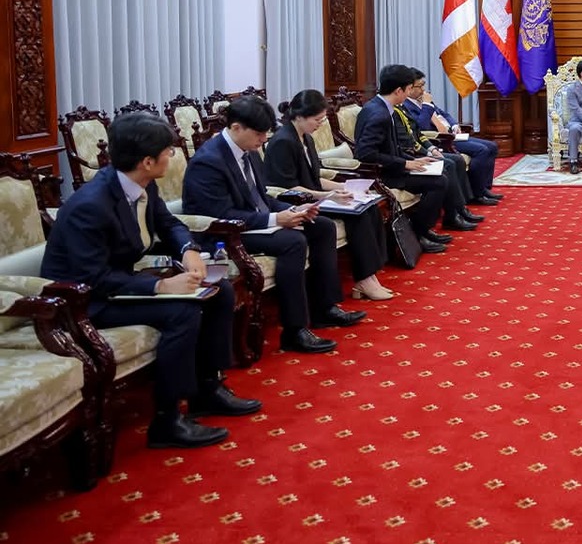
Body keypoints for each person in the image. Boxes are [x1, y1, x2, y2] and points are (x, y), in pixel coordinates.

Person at [42, 113, 262, 449]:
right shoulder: (91, 205)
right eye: (168, 152)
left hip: (117, 284)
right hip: (82, 303)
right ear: (147, 161)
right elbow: (92, 278)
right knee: (182, 312)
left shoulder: (142, 183)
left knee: (219, 291)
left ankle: (209, 388)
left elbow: (168, 223)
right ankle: (167, 420)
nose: (171, 157)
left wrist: (188, 250)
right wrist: (160, 286)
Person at [185, 96, 365, 354]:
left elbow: (261, 198)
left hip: (255, 221)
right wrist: (275, 219)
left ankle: (324, 308)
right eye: (259, 134)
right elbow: (220, 214)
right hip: (224, 233)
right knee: (292, 242)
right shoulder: (209, 161)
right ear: (236, 128)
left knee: (322, 226)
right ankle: (295, 330)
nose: (263, 140)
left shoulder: (249, 151)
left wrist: (292, 209)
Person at [265, 90, 393, 301]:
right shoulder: (283, 142)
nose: (320, 124)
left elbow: (315, 177)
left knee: (368, 207)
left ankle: (371, 275)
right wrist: (328, 196)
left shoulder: (306, 138)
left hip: (315, 196)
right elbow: (289, 187)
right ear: (299, 116)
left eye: (322, 119)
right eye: (317, 119)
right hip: (296, 202)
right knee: (357, 216)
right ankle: (364, 279)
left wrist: (343, 187)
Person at [352, 64, 453, 253]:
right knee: (439, 182)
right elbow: (365, 154)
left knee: (440, 172)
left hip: (392, 166)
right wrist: (405, 163)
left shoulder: (381, 107)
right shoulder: (379, 114)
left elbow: (390, 147)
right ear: (399, 90)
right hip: (382, 175)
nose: (408, 94)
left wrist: (414, 161)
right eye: (408, 89)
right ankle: (418, 233)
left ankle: (424, 230)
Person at [403, 69, 503, 205]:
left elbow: (443, 114)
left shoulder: (423, 99)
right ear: (409, 88)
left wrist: (454, 124)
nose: (423, 89)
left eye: (423, 84)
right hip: (440, 139)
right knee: (481, 150)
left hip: (452, 134)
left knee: (492, 146)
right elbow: (421, 127)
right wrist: (426, 106)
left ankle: (484, 188)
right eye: (419, 86)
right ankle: (477, 194)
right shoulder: (407, 105)